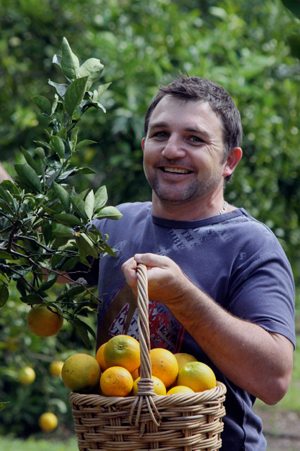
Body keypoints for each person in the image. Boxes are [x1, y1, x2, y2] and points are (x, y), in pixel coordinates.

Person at [74, 76, 296, 449]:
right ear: (144, 145)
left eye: (194, 139)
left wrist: (183, 297)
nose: (172, 150)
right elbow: (38, 257)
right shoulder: (113, 224)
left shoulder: (251, 245)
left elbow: (274, 380)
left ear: (229, 161)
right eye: (160, 135)